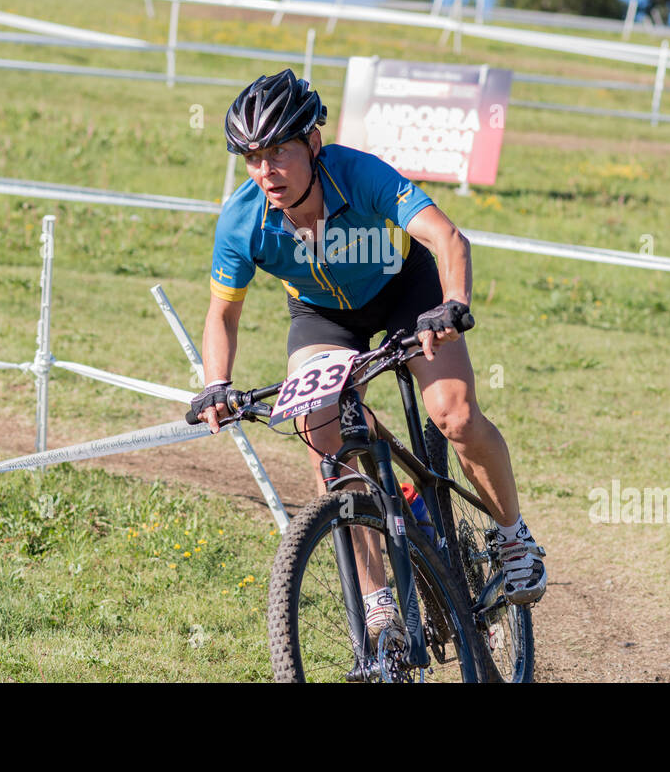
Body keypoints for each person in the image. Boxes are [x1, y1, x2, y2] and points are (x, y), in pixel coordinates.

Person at [187, 69, 547, 646]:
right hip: (323, 316)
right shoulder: (242, 219)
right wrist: (216, 384)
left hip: (408, 292)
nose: (265, 170)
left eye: (278, 150)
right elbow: (221, 314)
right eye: (251, 156)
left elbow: (448, 238)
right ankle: (379, 601)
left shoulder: (359, 173)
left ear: (312, 141)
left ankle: (512, 536)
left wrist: (453, 305)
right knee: (319, 430)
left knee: (452, 414)